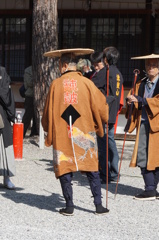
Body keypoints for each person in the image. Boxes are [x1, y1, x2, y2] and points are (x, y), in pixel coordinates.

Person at [42, 48, 109, 216]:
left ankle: (69, 206)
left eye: (59, 65)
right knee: (91, 165)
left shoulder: (56, 85)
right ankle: (98, 205)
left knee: (65, 165)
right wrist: (103, 120)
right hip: (84, 129)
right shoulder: (87, 83)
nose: (59, 68)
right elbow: (101, 107)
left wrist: (47, 127)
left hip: (63, 130)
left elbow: (47, 112)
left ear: (64, 65)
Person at [126, 53, 159, 200]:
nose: (150, 68)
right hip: (144, 123)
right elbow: (136, 100)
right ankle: (150, 188)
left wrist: (142, 100)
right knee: (143, 156)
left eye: (153, 65)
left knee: (156, 158)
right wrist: (132, 101)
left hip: (157, 125)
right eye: (148, 65)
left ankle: (152, 189)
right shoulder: (141, 83)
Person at [90, 48, 123, 183]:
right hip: (112, 111)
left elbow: (92, 86)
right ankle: (113, 172)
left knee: (104, 143)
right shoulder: (118, 73)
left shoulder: (107, 72)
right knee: (110, 142)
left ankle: (106, 173)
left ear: (105, 59)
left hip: (105, 111)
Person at [0, 66, 16, 189]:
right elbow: (6, 93)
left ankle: (7, 177)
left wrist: (10, 114)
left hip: (1, 113)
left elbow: (5, 93)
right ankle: (7, 178)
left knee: (4, 145)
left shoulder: (1, 71)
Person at [22, 66, 38, 137]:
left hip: (39, 96)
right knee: (28, 116)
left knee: (36, 116)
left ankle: (34, 133)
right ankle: (22, 133)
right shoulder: (28, 70)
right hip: (30, 95)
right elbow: (29, 83)